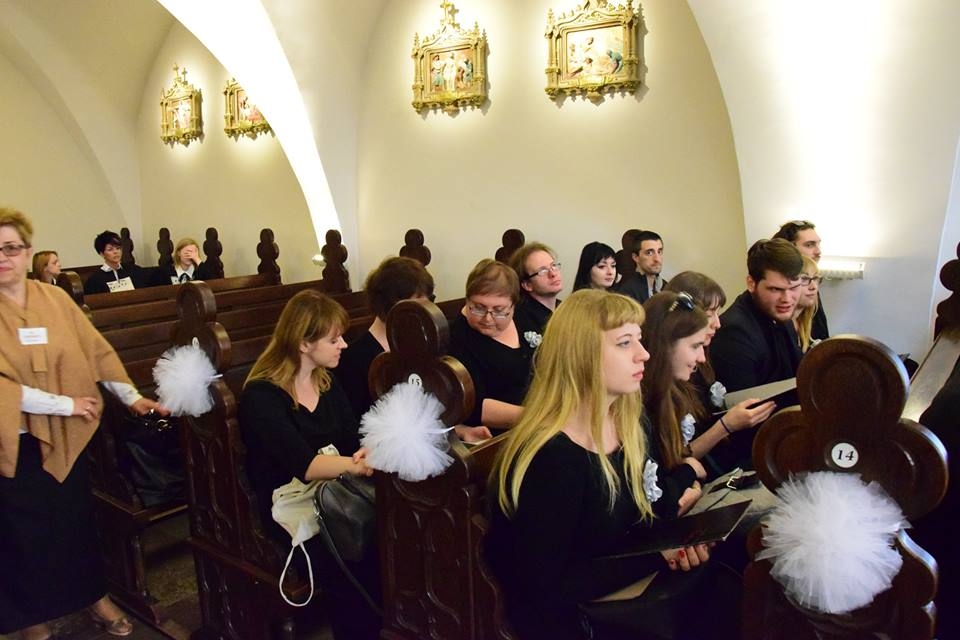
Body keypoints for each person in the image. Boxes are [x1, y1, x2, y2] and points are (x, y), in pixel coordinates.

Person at [485, 289, 739, 640]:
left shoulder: (629, 424)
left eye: (639, 339)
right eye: (624, 343)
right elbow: (542, 586)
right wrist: (658, 555)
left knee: (732, 580)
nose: (644, 354)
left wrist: (684, 538)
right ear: (583, 356)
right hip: (570, 621)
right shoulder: (551, 457)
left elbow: (646, 509)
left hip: (619, 595)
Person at [0, 208, 166, 640]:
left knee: (74, 523)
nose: (3, 257)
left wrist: (131, 397)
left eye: (11, 248)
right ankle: (28, 617)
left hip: (64, 438)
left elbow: (95, 349)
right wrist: (66, 405)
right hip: (12, 442)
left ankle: (93, 597)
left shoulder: (53, 299)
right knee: (20, 535)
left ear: (28, 251)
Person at [237, 289, 379, 640]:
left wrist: (364, 452)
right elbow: (304, 465)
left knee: (387, 535)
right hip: (288, 502)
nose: (343, 344)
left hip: (331, 492)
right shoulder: (262, 395)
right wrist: (357, 466)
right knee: (352, 556)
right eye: (334, 339)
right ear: (303, 343)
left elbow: (351, 437)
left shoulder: (325, 381)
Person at [641, 292, 775, 490]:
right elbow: (668, 469)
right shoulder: (643, 403)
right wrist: (726, 426)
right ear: (665, 344)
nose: (702, 358)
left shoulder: (674, 387)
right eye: (695, 346)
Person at [710, 239, 804, 399]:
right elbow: (746, 406)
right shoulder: (734, 332)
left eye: (794, 288)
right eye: (775, 289)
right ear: (751, 283)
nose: (787, 299)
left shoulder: (779, 314)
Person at [449, 260, 537, 431]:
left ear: (513, 306)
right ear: (467, 300)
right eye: (478, 308)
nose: (488, 318)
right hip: (500, 431)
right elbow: (472, 405)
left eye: (499, 310)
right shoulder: (456, 338)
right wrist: (539, 418)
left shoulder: (525, 317)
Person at [773, 220, 828, 340]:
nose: (818, 252)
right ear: (789, 249)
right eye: (809, 245)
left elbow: (822, 339)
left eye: (818, 244)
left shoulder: (811, 286)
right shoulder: (777, 302)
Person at [508, 242, 563, 335]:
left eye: (553, 265)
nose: (553, 274)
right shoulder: (520, 318)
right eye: (543, 271)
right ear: (527, 285)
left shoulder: (566, 308)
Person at [616, 230, 667, 303]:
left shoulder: (667, 287)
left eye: (659, 252)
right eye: (649, 253)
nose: (657, 259)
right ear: (635, 257)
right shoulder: (627, 293)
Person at [793, 255, 822, 353]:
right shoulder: (779, 326)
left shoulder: (804, 320)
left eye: (815, 278)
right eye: (804, 278)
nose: (813, 287)